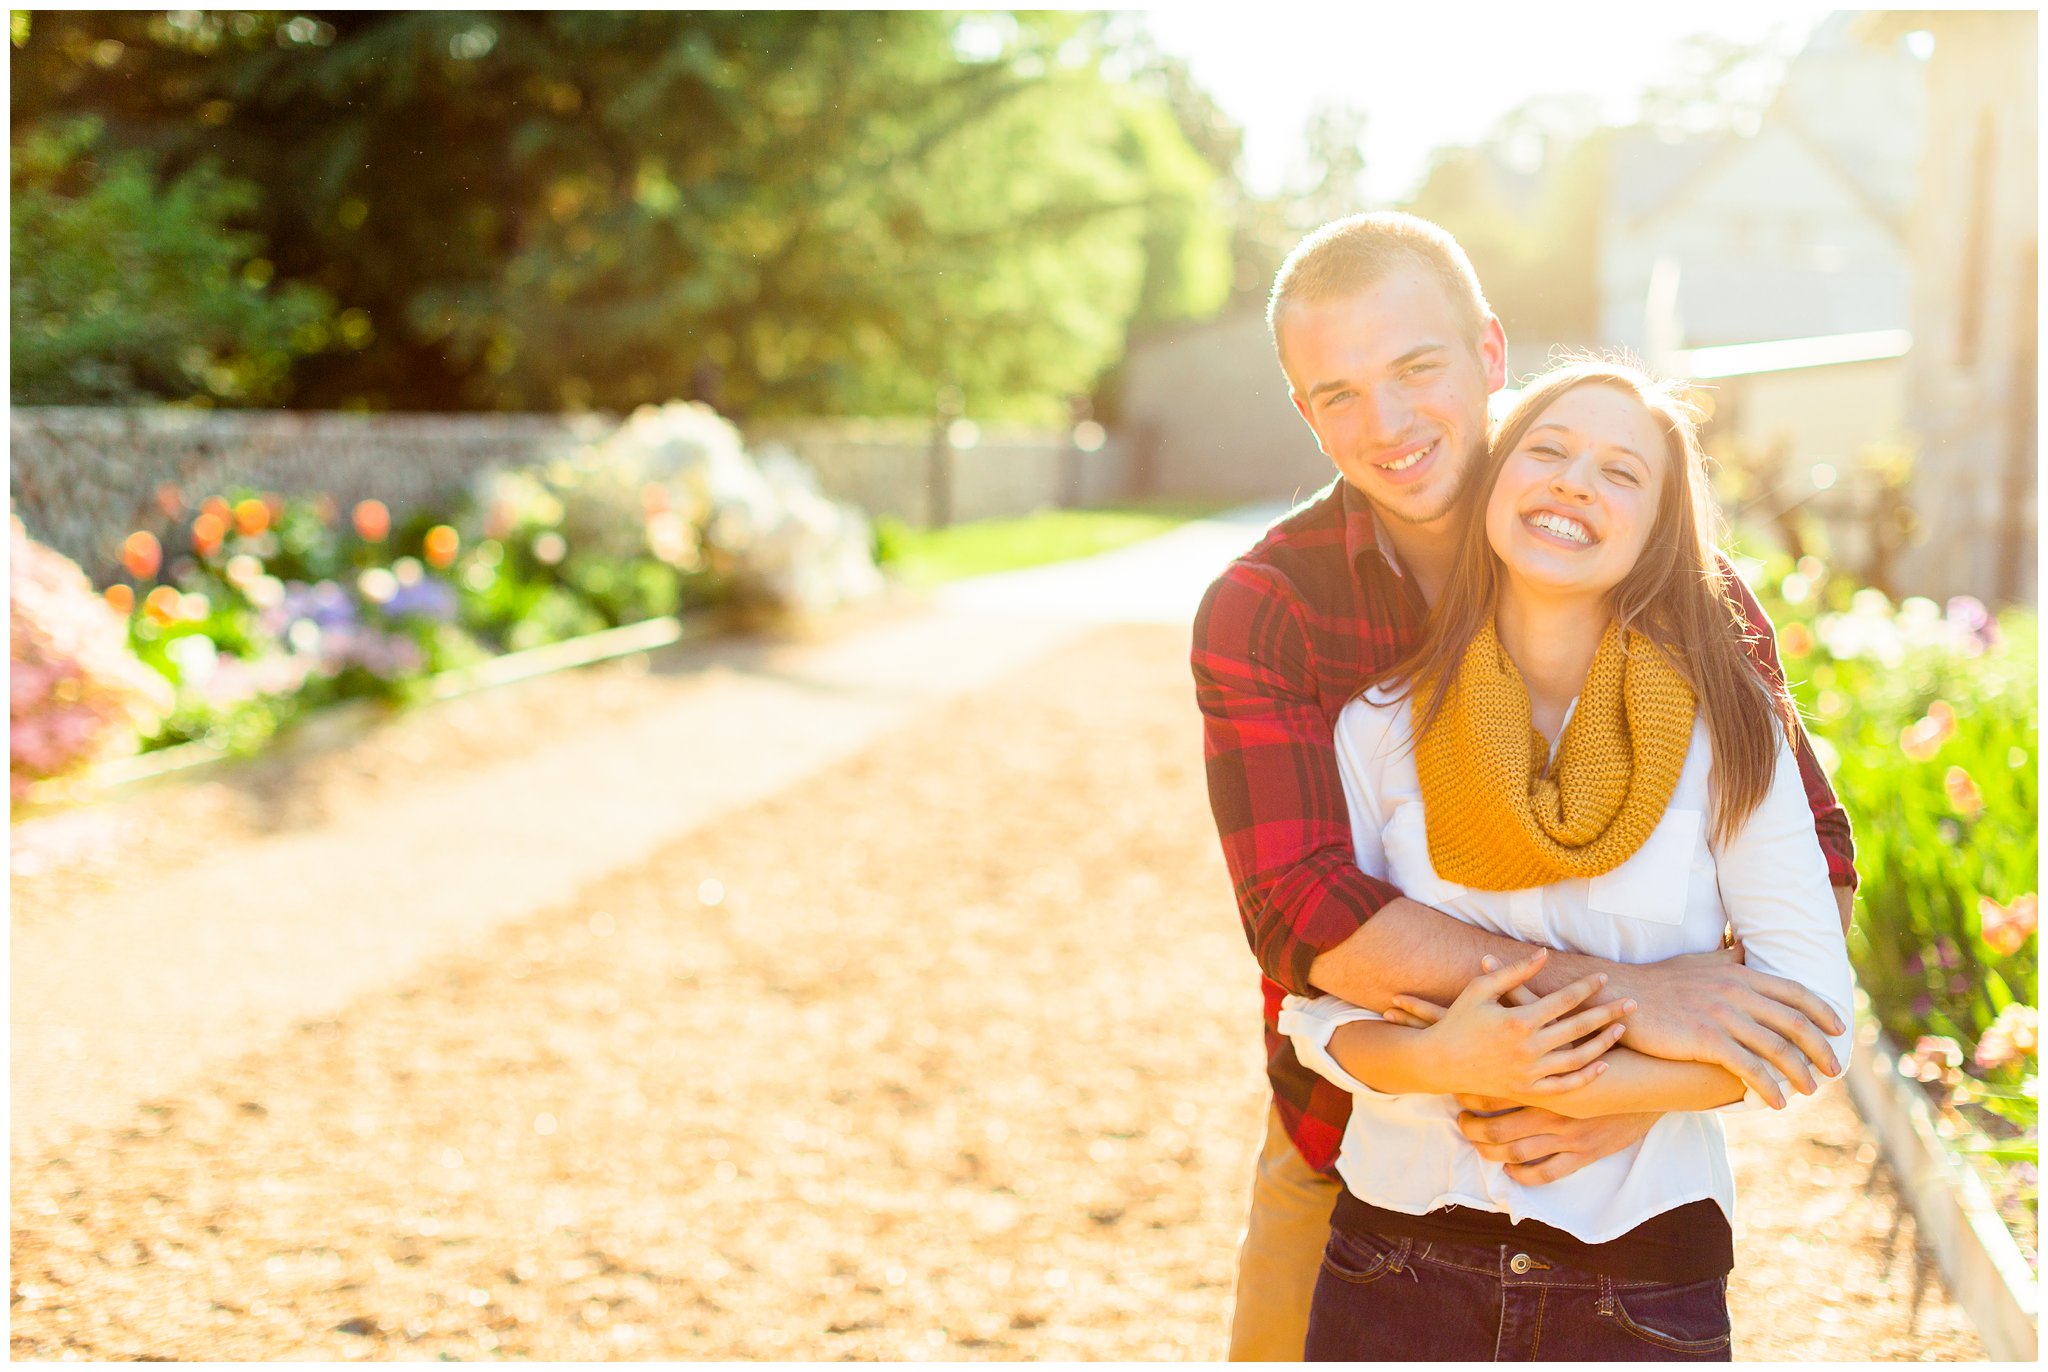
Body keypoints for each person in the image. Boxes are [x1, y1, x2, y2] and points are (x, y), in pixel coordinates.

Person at [1190, 213, 1858, 1361]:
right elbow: (1300, 917)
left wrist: (1628, 1087)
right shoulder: (1274, 610)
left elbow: (1815, 878)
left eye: (1415, 368)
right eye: (1338, 393)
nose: (1388, 425)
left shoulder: (1672, 576)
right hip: (1360, 1140)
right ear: (1303, 412)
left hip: (1629, 1210)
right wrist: (1624, 1002)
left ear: (1488, 354)